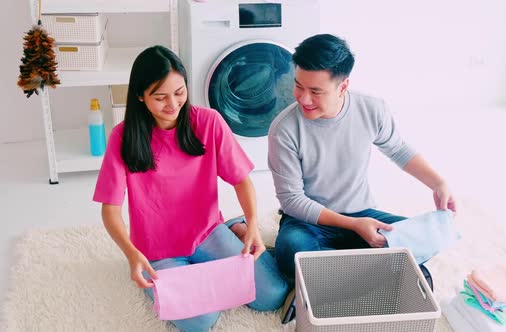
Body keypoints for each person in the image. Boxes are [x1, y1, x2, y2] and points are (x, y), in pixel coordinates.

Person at [93, 45, 288, 332]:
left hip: (207, 232)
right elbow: (110, 210)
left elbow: (240, 179)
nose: (172, 104)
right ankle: (203, 266)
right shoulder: (123, 137)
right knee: (200, 321)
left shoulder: (208, 122)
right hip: (158, 251)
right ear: (140, 96)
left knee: (272, 295)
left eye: (179, 92)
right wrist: (132, 255)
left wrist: (255, 225)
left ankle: (238, 228)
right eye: (160, 97)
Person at [268, 34, 457, 320]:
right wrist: (354, 226)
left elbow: (398, 149)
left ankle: (317, 286)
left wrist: (439, 183)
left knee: (425, 237)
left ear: (343, 85)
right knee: (291, 251)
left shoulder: (371, 109)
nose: (303, 98)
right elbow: (292, 200)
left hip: (362, 213)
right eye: (298, 86)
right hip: (308, 223)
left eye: (316, 91)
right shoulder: (284, 129)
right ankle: (370, 280)